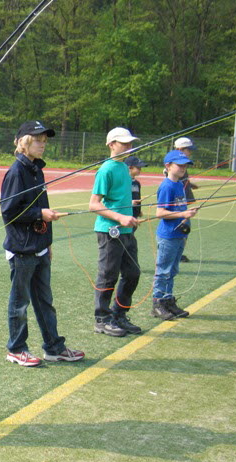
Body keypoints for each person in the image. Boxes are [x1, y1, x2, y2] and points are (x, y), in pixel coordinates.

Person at [0, 121, 85, 367]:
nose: (42, 144)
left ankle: (54, 347)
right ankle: (16, 349)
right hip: (22, 250)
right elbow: (9, 211)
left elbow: (38, 208)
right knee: (20, 303)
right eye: (38, 140)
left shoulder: (37, 170)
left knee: (44, 301)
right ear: (24, 142)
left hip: (39, 248)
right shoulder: (16, 172)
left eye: (45, 141)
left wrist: (47, 244)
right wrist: (40, 215)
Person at [89, 127, 142, 337]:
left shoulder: (124, 167)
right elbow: (94, 204)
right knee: (108, 276)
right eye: (124, 143)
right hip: (109, 231)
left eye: (130, 143)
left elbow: (119, 199)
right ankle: (102, 319)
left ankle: (119, 314)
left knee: (132, 273)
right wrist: (120, 217)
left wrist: (130, 212)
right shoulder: (106, 170)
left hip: (127, 230)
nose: (128, 147)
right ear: (112, 145)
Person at [151, 150, 198, 320]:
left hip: (180, 234)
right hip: (168, 236)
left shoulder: (180, 184)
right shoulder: (167, 186)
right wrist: (182, 215)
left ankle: (168, 300)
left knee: (172, 270)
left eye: (185, 165)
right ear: (168, 166)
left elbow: (179, 208)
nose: (183, 168)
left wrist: (187, 212)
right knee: (163, 271)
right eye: (179, 165)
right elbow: (160, 213)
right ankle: (158, 303)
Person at [173, 137, 199, 262]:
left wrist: (190, 185)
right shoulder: (174, 164)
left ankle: (178, 252)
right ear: (180, 149)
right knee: (181, 225)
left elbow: (183, 179)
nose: (190, 152)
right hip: (178, 202)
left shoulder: (183, 164)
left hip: (184, 200)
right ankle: (176, 253)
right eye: (188, 150)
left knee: (185, 225)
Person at [124, 156, 147, 220]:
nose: (140, 169)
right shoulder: (123, 182)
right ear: (130, 167)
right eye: (138, 168)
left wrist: (138, 211)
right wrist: (129, 203)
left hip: (134, 215)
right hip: (125, 215)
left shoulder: (137, 183)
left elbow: (137, 197)